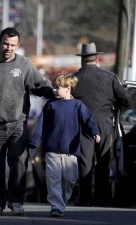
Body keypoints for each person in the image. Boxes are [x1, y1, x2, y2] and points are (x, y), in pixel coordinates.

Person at [0, 27, 54, 216]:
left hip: (18, 125)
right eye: (6, 43)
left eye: (13, 45)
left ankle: (16, 201)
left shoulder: (24, 64)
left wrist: (54, 91)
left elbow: (40, 85)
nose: (9, 48)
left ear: (18, 46)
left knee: (19, 164)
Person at [29, 73, 101, 217]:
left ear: (68, 88)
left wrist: (95, 132)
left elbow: (88, 120)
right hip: (52, 149)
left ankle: (61, 200)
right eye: (54, 87)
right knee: (53, 178)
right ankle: (56, 206)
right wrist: (34, 140)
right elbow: (41, 124)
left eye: (57, 87)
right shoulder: (50, 104)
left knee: (69, 179)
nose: (54, 90)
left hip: (71, 150)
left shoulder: (77, 105)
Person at [72, 42, 130, 207]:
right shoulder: (109, 77)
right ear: (96, 58)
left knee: (85, 161)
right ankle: (101, 196)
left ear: (82, 60)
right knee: (103, 160)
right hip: (104, 121)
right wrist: (117, 106)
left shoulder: (74, 78)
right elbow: (126, 98)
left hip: (82, 123)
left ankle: (85, 198)